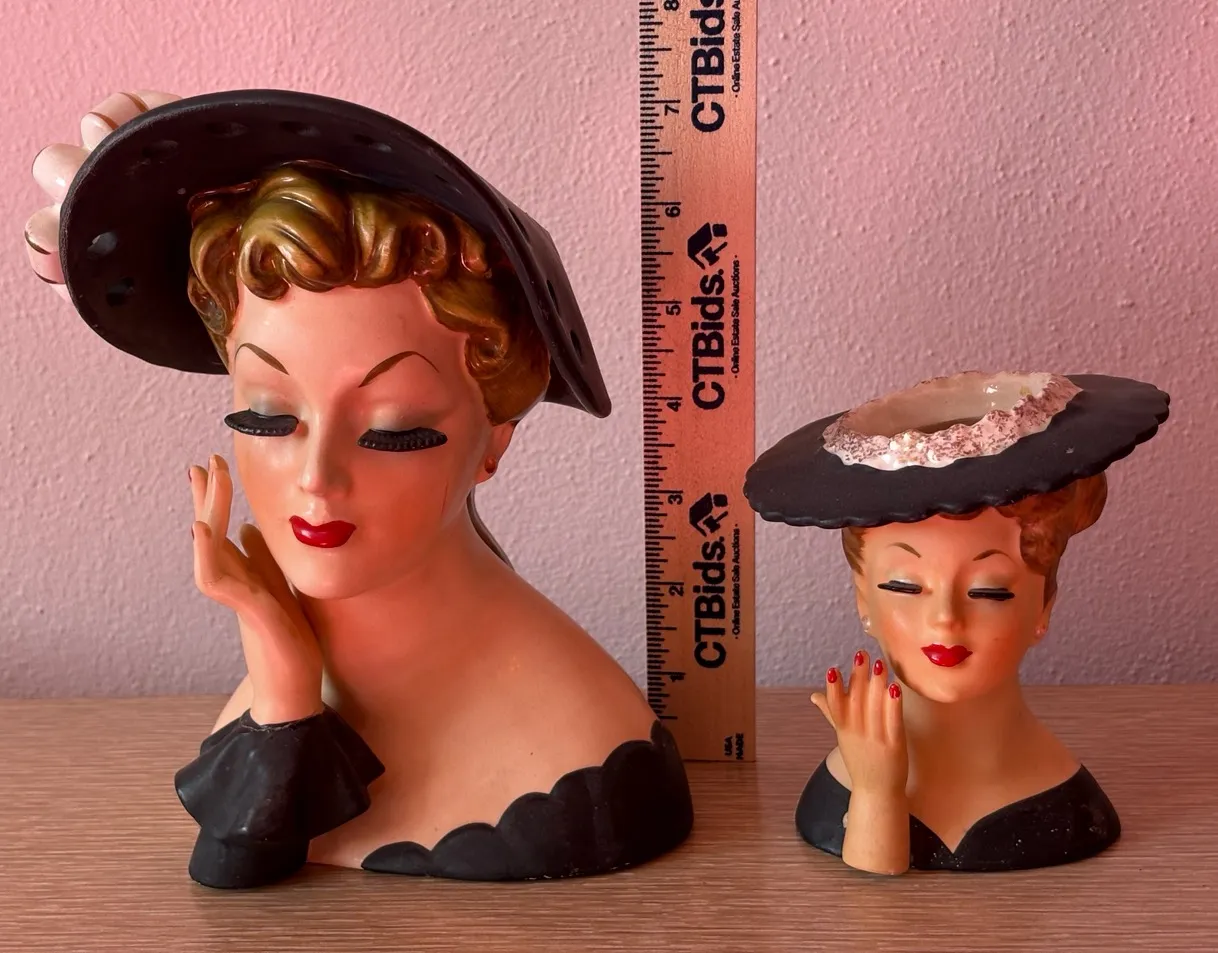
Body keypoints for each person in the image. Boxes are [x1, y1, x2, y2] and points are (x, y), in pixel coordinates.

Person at [25, 89, 692, 888]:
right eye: (267, 416)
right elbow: (232, 876)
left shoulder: (580, 767)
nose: (316, 477)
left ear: (494, 438)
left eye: (393, 429)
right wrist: (282, 676)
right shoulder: (277, 669)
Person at [743, 370, 1169, 874]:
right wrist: (876, 787)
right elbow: (873, 883)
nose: (945, 620)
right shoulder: (841, 790)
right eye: (904, 587)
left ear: (1044, 606)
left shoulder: (1067, 809)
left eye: (989, 591)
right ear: (862, 598)